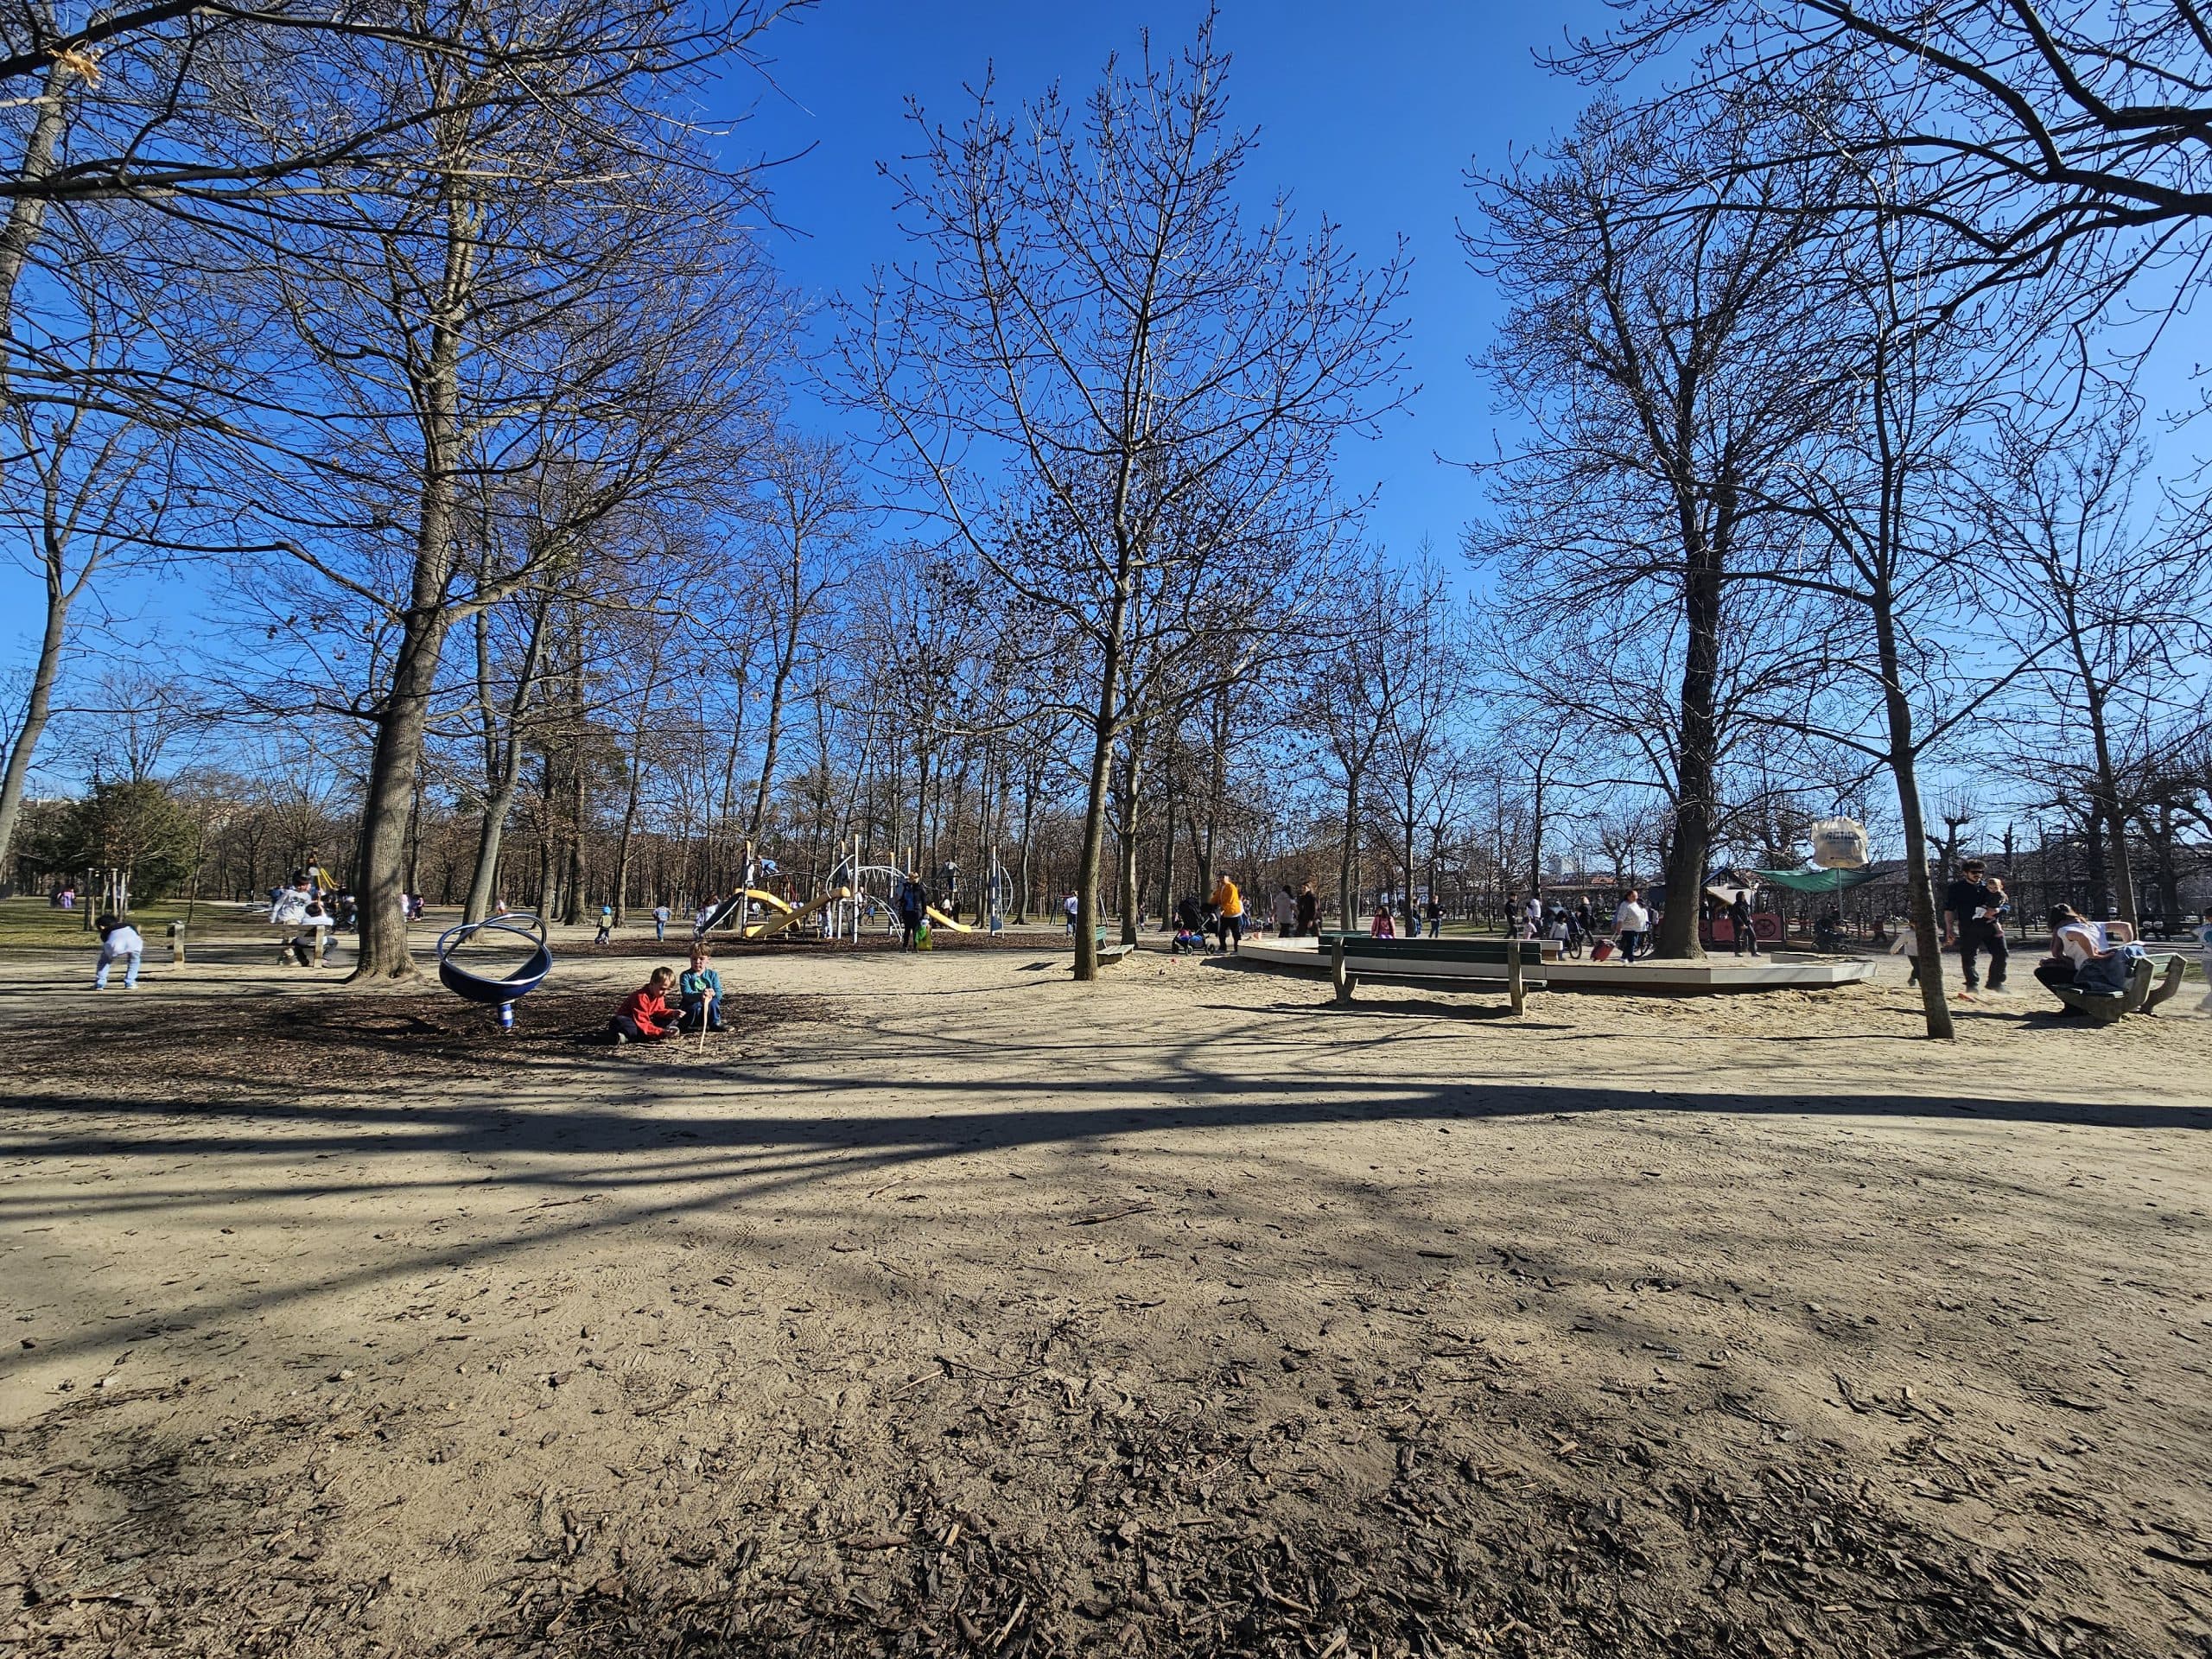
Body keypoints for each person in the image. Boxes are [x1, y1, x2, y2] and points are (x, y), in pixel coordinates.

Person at [1942, 857, 2010, 996]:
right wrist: (1949, 929)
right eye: (1974, 872)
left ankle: (1995, 983)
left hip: (1990, 926)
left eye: (1981, 872)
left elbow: (2006, 904)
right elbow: (1949, 909)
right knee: (1968, 956)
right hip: (1969, 927)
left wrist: (1998, 910)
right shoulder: (1956, 888)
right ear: (1965, 872)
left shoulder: (1989, 887)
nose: (1978, 874)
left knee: (2002, 953)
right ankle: (1972, 985)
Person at [610, 968, 679, 1044]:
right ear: (652, 983)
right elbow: (641, 1020)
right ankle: (625, 1037)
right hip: (628, 1020)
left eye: (668, 990)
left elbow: (658, 1011)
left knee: (669, 1021)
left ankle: (634, 1036)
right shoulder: (641, 997)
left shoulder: (659, 995)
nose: (665, 993)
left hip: (644, 1019)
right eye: (662, 989)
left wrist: (672, 1013)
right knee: (633, 1028)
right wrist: (661, 1032)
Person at [678, 948, 724, 1033]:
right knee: (694, 1005)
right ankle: (687, 1025)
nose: (697, 961)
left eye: (701, 959)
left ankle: (715, 1023)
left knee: (714, 1003)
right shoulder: (685, 975)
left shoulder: (713, 975)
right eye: (694, 959)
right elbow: (686, 993)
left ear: (708, 960)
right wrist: (700, 995)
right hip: (692, 1005)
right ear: (690, 958)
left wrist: (713, 993)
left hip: (708, 1005)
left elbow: (719, 994)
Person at [94, 914, 143, 990]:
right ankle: (130, 982)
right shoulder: (128, 925)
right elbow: (136, 933)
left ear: (102, 927)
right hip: (135, 943)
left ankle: (100, 983)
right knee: (134, 961)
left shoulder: (105, 931)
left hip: (115, 944)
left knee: (104, 961)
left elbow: (106, 941)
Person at [1210, 873, 1245, 954]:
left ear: (1228, 877)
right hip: (1225, 913)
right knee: (1221, 931)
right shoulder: (1221, 887)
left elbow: (1230, 900)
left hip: (1233, 913)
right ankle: (1223, 948)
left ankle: (1237, 949)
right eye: (1220, 877)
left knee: (1235, 932)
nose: (1221, 879)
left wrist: (1222, 908)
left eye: (1223, 877)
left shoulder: (1231, 887)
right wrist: (1210, 904)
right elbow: (1216, 897)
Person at [1614, 888, 1649, 963]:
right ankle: (1631, 959)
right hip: (1628, 928)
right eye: (1633, 896)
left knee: (1631, 944)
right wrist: (1619, 927)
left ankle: (1623, 957)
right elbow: (1621, 917)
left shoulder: (1635, 904)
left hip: (1637, 928)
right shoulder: (1625, 905)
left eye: (1636, 896)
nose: (1635, 898)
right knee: (1632, 943)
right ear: (1628, 896)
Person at [897, 876, 928, 952]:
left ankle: (915, 947)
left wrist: (924, 912)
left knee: (915, 930)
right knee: (907, 930)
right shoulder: (906, 888)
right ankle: (905, 946)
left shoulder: (920, 888)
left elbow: (924, 902)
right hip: (907, 911)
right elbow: (903, 898)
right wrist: (900, 902)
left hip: (916, 912)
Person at [1727, 892, 1762, 957]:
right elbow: (1735, 915)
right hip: (1738, 924)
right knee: (1738, 937)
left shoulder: (1746, 904)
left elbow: (1748, 913)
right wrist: (1741, 924)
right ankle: (1738, 952)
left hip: (1747, 923)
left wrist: (1750, 919)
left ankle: (1754, 952)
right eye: (1743, 895)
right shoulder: (1736, 905)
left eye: (1744, 895)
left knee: (1753, 936)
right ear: (1739, 896)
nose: (1744, 896)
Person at [1890, 919, 1922, 986]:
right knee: (1918, 967)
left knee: (1920, 968)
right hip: (1912, 954)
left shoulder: (1924, 933)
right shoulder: (1907, 933)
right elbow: (1899, 942)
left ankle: (1913, 978)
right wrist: (1893, 950)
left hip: (1923, 953)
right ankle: (1920, 982)